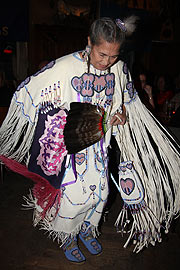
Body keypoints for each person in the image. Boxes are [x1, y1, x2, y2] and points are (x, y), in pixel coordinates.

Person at [0, 16, 180, 264]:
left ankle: (87, 230)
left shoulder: (120, 68)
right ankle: (67, 236)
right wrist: (57, 119)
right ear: (89, 43)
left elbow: (126, 102)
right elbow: (29, 90)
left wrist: (121, 115)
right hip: (73, 148)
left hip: (101, 146)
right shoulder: (64, 67)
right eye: (102, 55)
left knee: (100, 194)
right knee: (75, 195)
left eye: (113, 56)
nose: (107, 62)